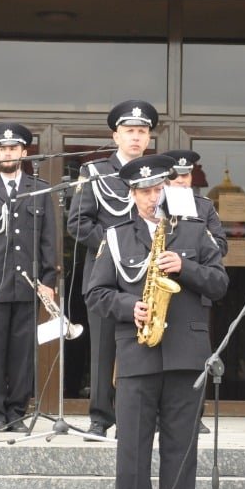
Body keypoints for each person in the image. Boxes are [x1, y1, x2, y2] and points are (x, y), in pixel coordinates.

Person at [86, 154, 228, 489]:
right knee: (132, 443)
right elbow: (95, 294)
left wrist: (185, 267)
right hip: (137, 351)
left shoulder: (196, 232)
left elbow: (219, 284)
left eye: (158, 189)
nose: (153, 197)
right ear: (131, 195)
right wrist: (128, 306)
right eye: (145, 191)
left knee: (181, 444)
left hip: (186, 350)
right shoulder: (115, 236)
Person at [67, 99, 158, 440]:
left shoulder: (158, 174)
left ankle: (139, 414)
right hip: (104, 275)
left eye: (142, 131)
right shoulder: (95, 172)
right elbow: (77, 222)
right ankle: (100, 417)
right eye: (129, 131)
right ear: (115, 135)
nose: (136, 137)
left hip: (149, 275)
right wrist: (115, 249)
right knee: (104, 348)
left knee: (145, 346)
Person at [0, 122, 58, 434]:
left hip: (29, 285)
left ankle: (17, 412)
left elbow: (48, 240)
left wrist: (49, 281)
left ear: (24, 152)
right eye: (2, 148)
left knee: (22, 354)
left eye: (13, 148)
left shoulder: (40, 189)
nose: (8, 152)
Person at [165, 148, 228, 435]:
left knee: (195, 356)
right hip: (159, 293)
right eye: (175, 176)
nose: (181, 181)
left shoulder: (204, 206)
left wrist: (187, 253)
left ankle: (195, 414)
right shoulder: (154, 203)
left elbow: (220, 246)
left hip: (195, 291)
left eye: (186, 175)